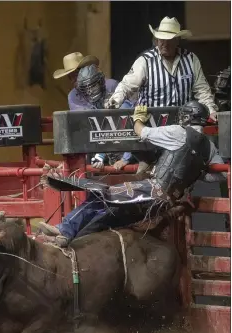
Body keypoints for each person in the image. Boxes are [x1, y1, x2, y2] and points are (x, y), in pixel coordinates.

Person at [39, 100, 226, 247]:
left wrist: (137, 117)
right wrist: (197, 172)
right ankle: (67, 233)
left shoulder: (178, 132)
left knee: (101, 196)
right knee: (107, 211)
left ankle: (66, 232)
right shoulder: (209, 147)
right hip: (165, 203)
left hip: (150, 191)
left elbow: (142, 132)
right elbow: (220, 175)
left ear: (185, 118)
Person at [106, 17, 218, 122]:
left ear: (177, 40)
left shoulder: (191, 59)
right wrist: (115, 101)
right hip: (150, 124)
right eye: (161, 39)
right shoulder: (145, 60)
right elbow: (127, 85)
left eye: (169, 40)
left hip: (183, 122)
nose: (164, 44)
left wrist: (211, 111)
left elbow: (202, 90)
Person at [53, 52, 136, 169]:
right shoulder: (73, 96)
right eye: (70, 77)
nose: (74, 80)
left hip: (122, 143)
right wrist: (100, 153)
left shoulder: (112, 86)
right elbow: (88, 123)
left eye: (76, 74)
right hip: (93, 144)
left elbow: (128, 115)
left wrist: (125, 157)